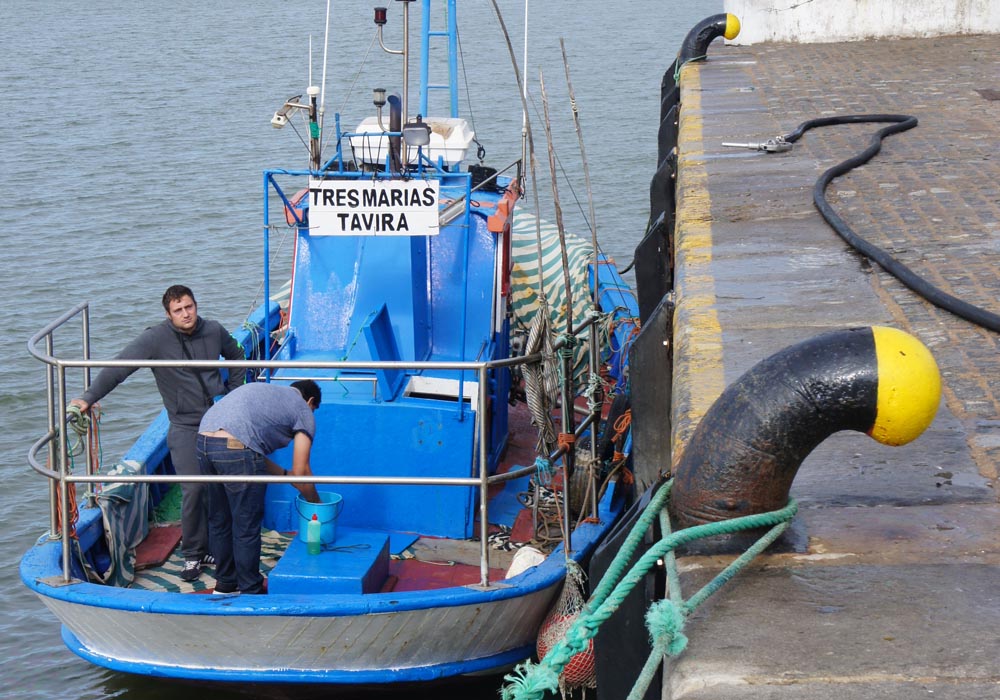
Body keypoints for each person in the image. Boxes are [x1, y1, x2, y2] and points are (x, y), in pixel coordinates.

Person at [70, 285, 246, 582]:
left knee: (224, 487)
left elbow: (238, 356)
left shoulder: (214, 330)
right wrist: (87, 398)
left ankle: (216, 547)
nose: (186, 314)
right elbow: (119, 368)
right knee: (194, 488)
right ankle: (193, 553)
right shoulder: (155, 339)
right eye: (178, 310)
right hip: (184, 426)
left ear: (196, 305)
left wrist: (234, 394)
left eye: (189, 306)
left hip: (220, 421)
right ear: (168, 314)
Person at [196, 380, 322, 595]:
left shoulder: (265, 392)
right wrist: (316, 503)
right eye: (313, 409)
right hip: (236, 448)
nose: (311, 414)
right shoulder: (303, 409)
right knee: (245, 524)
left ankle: (225, 584)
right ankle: (250, 588)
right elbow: (301, 471)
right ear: (310, 401)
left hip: (203, 442)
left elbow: (253, 452)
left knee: (220, 519)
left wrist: (284, 475)